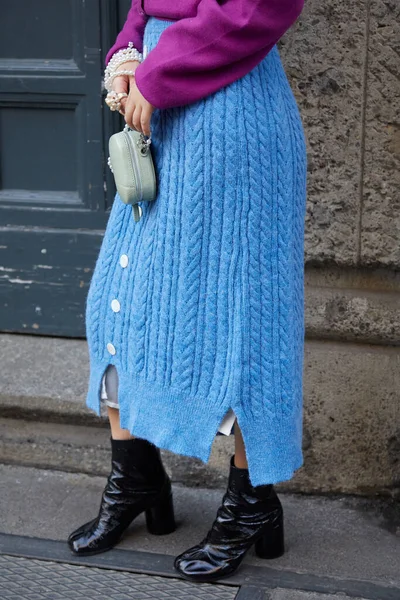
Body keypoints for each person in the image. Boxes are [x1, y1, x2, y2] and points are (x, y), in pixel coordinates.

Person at [67, 0, 307, 583]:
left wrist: (157, 69)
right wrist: (126, 58)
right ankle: (137, 477)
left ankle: (254, 502)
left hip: (232, 120)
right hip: (158, 120)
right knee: (117, 302)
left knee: (241, 318)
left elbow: (261, 8)